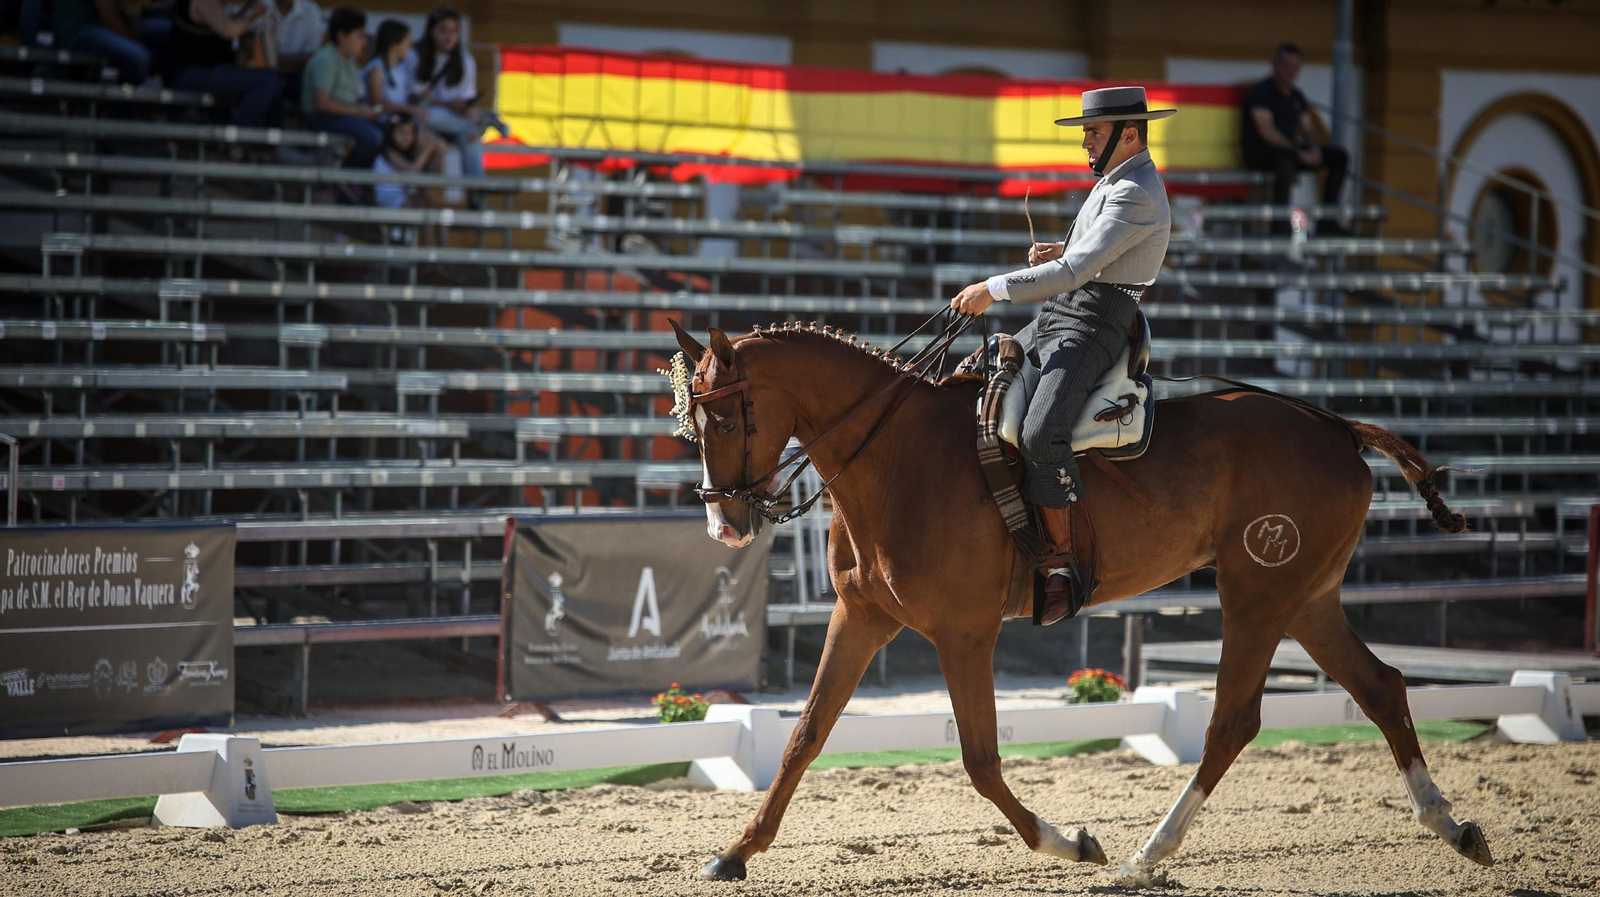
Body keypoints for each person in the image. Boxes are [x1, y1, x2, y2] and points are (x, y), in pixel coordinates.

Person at [948, 86, 1173, 626]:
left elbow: (1075, 274)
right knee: (967, 382)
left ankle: (1064, 567)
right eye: (1087, 133)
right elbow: (1084, 257)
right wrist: (1060, 250)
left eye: (1094, 132)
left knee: (1041, 432)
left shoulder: (1135, 192)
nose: (1086, 142)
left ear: (1129, 134)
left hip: (1093, 324)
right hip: (1062, 313)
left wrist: (993, 288)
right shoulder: (1115, 180)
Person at [1241, 43, 1350, 231]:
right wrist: (1298, 151)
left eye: (1295, 67)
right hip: (1261, 154)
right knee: (1286, 160)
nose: (1290, 71)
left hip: (1292, 152)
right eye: (1286, 65)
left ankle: (1328, 221)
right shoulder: (1261, 91)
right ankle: (1279, 224)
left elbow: (1308, 128)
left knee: (1339, 157)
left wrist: (1314, 149)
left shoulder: (1296, 96)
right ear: (1275, 65)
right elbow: (1266, 131)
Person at [170, 0, 285, 138]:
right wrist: (252, 14)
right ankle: (235, 139)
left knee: (272, 82)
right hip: (191, 74)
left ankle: (273, 143)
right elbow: (230, 30)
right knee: (267, 82)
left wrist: (249, 8)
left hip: (213, 70)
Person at [403, 6, 486, 186]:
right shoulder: (414, 56)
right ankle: (478, 188)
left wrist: (465, 109)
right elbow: (412, 100)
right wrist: (448, 105)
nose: (449, 36)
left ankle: (477, 191)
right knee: (466, 126)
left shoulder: (465, 61)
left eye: (454, 31)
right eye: (443, 30)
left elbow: (465, 100)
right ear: (431, 31)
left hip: (452, 122)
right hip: (422, 116)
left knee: (471, 136)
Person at [302, 6, 383, 169]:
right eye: (360, 36)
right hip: (321, 118)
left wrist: (368, 110)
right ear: (342, 36)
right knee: (371, 137)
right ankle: (347, 178)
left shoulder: (351, 61)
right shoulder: (326, 60)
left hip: (345, 116)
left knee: (389, 132)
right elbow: (323, 103)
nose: (364, 42)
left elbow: (354, 96)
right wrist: (359, 111)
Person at [373, 112, 445, 245]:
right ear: (391, 133)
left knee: (439, 213)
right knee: (425, 212)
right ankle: (425, 256)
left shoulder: (410, 154)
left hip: (406, 199)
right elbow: (410, 174)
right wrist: (427, 151)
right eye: (401, 132)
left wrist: (436, 152)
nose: (406, 137)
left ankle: (443, 255)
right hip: (390, 202)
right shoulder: (389, 153)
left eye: (410, 133)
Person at [46, 0, 155, 84]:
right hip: (79, 32)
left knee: (160, 33)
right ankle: (120, 105)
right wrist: (134, 37)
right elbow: (109, 16)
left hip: (99, 27)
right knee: (139, 57)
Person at [264, 0, 323, 102]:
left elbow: (313, 56)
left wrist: (274, 62)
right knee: (265, 82)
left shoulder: (310, 10)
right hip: (265, 76)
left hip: (296, 75)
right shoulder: (260, 7)